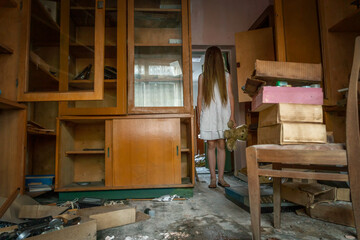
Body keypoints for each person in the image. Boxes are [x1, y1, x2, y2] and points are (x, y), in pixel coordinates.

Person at [197, 46, 236, 188]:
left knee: (221, 144)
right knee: (211, 144)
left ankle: (221, 178)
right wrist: (199, 117)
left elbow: (230, 96)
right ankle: (212, 178)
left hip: (222, 114)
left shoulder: (226, 76)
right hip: (208, 114)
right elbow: (200, 98)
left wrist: (232, 115)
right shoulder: (203, 77)